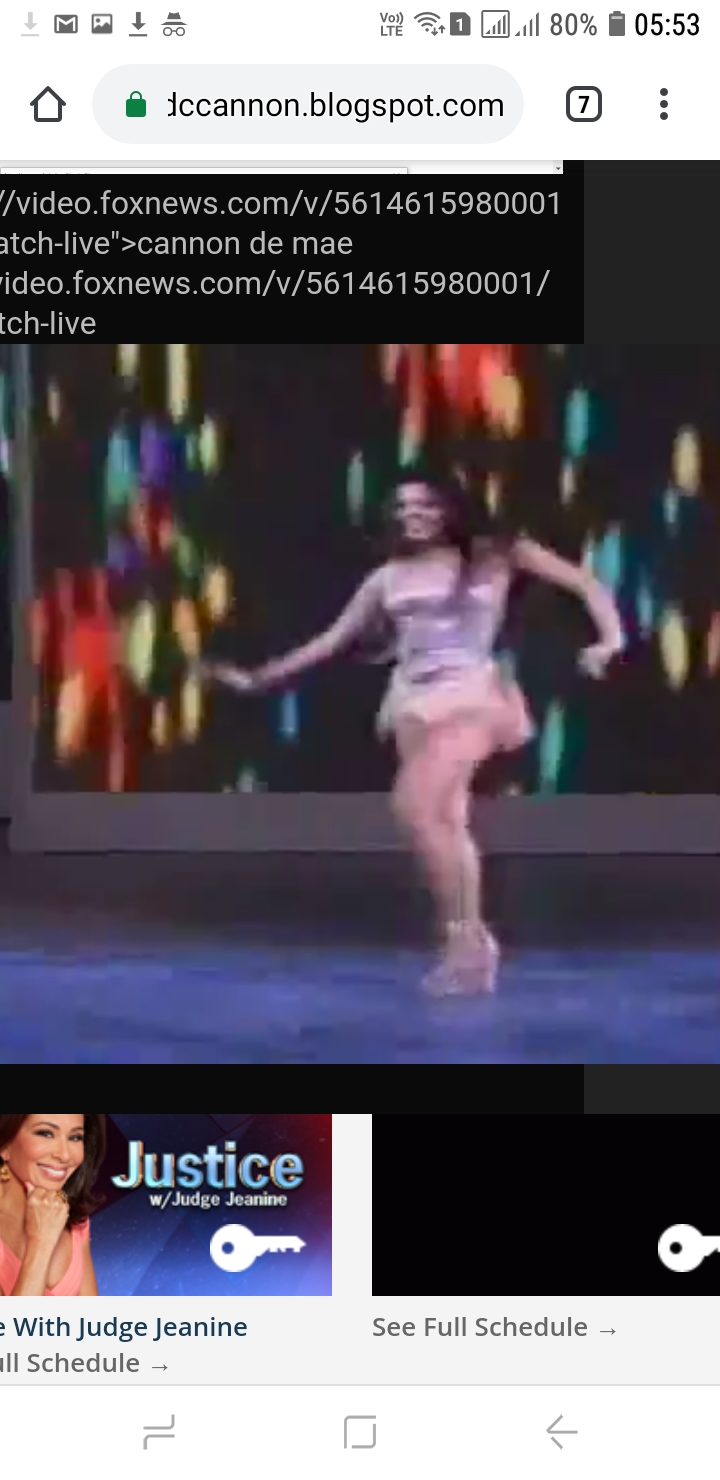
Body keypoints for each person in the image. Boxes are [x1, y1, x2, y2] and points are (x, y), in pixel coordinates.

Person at [200, 477, 625, 995]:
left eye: (423, 504)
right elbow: (331, 641)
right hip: (413, 705)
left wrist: (609, 641)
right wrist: (258, 679)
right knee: (447, 823)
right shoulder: (387, 578)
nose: (411, 514)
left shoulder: (498, 553)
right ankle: (473, 946)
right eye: (401, 506)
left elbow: (585, 584)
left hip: (474, 698)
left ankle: (464, 942)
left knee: (414, 807)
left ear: (448, 508)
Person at [0, 1114, 105, 1295]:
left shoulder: (73, 1218)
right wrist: (41, 1243)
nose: (64, 1155)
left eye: (75, 1137)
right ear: (4, 1144)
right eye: (46, 1133)